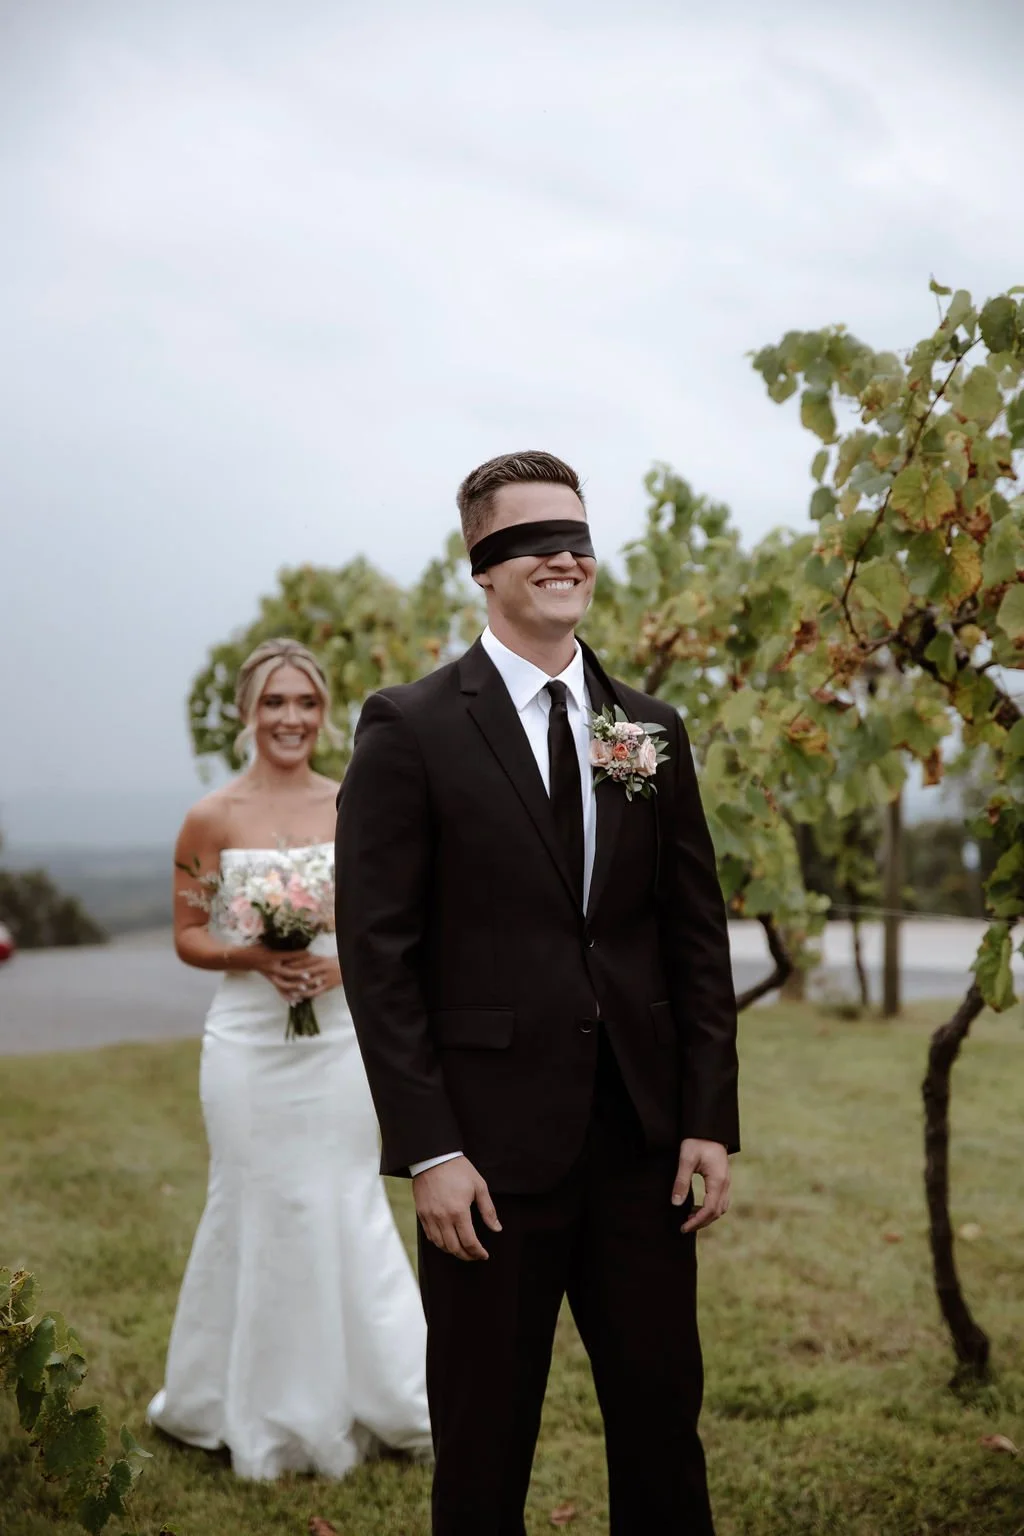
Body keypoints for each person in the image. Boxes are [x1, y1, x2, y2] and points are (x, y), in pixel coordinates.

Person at [336, 452, 740, 1534]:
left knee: (663, 1426)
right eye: (530, 538)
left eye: (576, 534)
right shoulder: (409, 728)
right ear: (481, 564)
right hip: (484, 1162)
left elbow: (693, 937)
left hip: (642, 1144)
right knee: (483, 1445)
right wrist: (429, 1148)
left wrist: (706, 1119)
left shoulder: (646, 728)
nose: (563, 555)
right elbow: (378, 956)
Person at [148, 638, 432, 1481]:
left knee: (342, 1197)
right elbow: (190, 934)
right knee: (254, 1200)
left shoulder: (357, 802)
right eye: (274, 703)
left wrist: (344, 965)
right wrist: (256, 958)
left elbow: (395, 920)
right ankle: (232, 1403)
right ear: (246, 712)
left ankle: (391, 1397)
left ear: (325, 713)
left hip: (342, 1039)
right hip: (246, 1044)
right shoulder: (212, 817)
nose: (291, 719)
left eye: (306, 703)